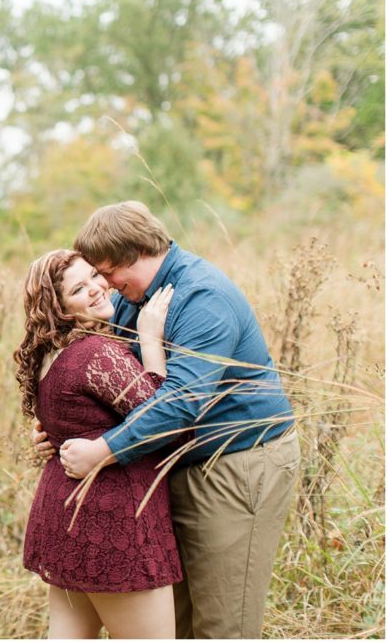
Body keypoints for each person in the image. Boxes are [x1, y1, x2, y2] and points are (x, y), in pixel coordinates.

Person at [35, 201, 300, 639]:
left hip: (236, 465)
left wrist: (103, 450)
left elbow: (179, 405)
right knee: (176, 623)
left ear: (131, 256)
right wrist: (63, 429)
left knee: (222, 623)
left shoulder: (202, 298)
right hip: (172, 468)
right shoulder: (133, 298)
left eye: (105, 272)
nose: (106, 285)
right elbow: (116, 383)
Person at [15, 248, 181, 639]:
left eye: (93, 275)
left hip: (65, 516)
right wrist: (150, 339)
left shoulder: (55, 356)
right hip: (112, 526)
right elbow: (163, 421)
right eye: (78, 288)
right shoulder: (96, 353)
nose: (95, 288)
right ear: (60, 309)